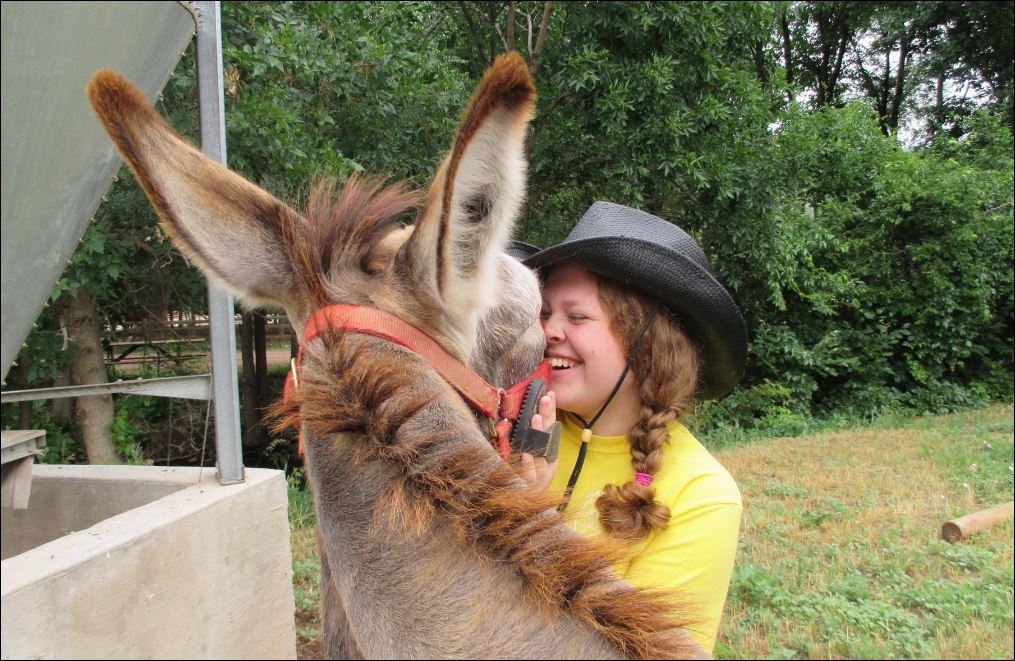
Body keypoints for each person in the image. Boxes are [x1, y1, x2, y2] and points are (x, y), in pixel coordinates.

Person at [513, 202, 748, 654]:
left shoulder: (701, 495)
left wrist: (529, 518)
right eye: (544, 313)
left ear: (650, 346)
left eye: (577, 317)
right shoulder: (510, 429)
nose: (548, 331)